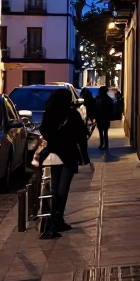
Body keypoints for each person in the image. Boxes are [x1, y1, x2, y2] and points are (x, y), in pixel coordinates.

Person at [38, 88, 90, 239]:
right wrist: (84, 155)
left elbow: (44, 131)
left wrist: (55, 141)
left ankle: (52, 219)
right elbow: (81, 136)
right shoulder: (72, 114)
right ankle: (57, 219)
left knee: (54, 189)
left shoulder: (49, 113)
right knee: (63, 189)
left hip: (54, 154)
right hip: (68, 155)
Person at [94, 85, 114, 152]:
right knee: (102, 132)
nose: (99, 92)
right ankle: (102, 144)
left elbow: (110, 110)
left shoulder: (107, 100)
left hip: (105, 118)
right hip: (100, 118)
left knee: (105, 132)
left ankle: (105, 145)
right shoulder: (99, 98)